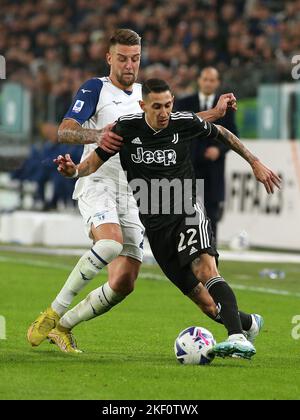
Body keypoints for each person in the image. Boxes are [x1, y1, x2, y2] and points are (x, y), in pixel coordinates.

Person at [27, 29, 238, 353]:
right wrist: (98, 134)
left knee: (124, 282)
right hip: (96, 180)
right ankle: (52, 312)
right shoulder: (96, 88)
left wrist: (217, 113)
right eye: (123, 58)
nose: (129, 65)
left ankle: (64, 326)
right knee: (110, 243)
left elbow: (180, 121)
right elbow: (65, 129)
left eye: (135, 58)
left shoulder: (145, 94)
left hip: (132, 192)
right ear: (109, 57)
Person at [54, 79, 281, 359]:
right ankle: (248, 324)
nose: (164, 113)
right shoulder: (127, 128)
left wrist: (255, 162)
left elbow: (221, 132)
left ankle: (238, 338)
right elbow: (94, 162)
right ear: (143, 106)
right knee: (207, 304)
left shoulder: (181, 122)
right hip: (156, 227)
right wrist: (74, 171)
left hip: (186, 211)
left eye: (168, 105)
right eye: (157, 107)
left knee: (205, 268)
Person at [176, 67, 238, 243]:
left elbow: (234, 135)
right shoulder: (184, 103)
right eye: (205, 79)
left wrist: (219, 149)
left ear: (217, 83)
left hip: (213, 169)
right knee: (187, 213)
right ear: (199, 80)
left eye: (212, 80)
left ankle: (211, 255)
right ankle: (188, 252)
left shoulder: (227, 107)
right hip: (189, 166)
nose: (208, 83)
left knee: (212, 213)